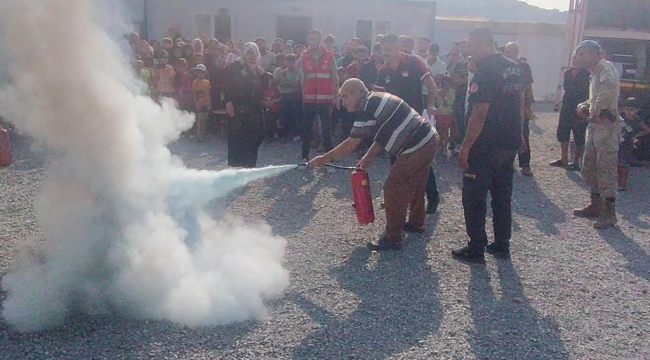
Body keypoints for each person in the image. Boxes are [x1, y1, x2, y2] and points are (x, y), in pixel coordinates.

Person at [308, 79, 439, 251]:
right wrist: (369, 155)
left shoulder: (367, 109)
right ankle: (416, 223)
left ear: (357, 93)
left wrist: (324, 159)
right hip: (429, 139)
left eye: (345, 96)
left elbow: (351, 143)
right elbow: (384, 131)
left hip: (416, 145)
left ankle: (393, 238)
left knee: (393, 187)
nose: (343, 101)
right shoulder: (375, 100)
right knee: (416, 183)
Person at [451, 28, 524, 264]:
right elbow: (520, 101)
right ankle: (502, 244)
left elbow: (479, 112)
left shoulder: (486, 70)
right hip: (507, 142)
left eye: (470, 46)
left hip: (485, 145)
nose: (468, 51)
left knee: (474, 197)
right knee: (502, 196)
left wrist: (465, 147)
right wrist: (519, 133)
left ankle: (476, 248)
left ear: (482, 45)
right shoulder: (513, 66)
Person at [375, 33, 440, 214]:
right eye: (383, 50)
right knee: (395, 162)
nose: (385, 53)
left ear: (397, 47)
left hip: (414, 121)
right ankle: (395, 198)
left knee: (420, 160)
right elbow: (378, 95)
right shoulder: (384, 71)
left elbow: (431, 84)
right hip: (393, 123)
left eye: (388, 50)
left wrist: (430, 104)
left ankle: (433, 197)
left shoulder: (414, 62)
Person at [572, 40, 622, 229]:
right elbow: (596, 97)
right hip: (595, 126)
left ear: (594, 54)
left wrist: (596, 110)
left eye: (582, 53)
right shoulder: (594, 73)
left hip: (606, 126)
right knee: (589, 167)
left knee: (606, 168)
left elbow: (607, 91)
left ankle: (609, 213)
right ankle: (596, 205)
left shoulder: (604, 68)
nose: (578, 57)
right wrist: (585, 105)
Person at [297, 29, 340, 162]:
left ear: (319, 40)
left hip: (325, 98)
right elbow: (302, 77)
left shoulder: (330, 56)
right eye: (310, 39)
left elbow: (335, 77)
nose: (312, 42)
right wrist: (303, 95)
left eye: (315, 39)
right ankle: (304, 158)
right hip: (309, 99)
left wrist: (336, 96)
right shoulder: (304, 56)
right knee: (306, 130)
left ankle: (330, 160)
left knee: (327, 131)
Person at [224, 42, 266, 168]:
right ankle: (240, 165)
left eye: (254, 53)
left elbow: (265, 86)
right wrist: (228, 102)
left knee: (257, 134)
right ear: (244, 53)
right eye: (249, 53)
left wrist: (263, 75)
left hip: (255, 107)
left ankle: (250, 164)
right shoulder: (235, 66)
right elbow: (227, 85)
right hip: (239, 106)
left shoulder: (257, 68)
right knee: (239, 136)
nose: (251, 56)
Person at [550, 56, 591, 170]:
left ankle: (576, 161)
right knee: (563, 131)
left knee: (579, 133)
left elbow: (584, 90)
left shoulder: (587, 74)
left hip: (581, 106)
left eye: (578, 58)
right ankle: (564, 159)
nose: (576, 60)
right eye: (574, 58)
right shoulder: (567, 73)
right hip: (567, 105)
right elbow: (566, 87)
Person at [504, 42, 535, 177]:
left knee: (524, 134)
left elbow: (528, 87)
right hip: (506, 106)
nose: (507, 54)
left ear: (517, 51)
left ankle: (525, 165)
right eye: (506, 51)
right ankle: (506, 164)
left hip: (520, 105)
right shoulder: (502, 66)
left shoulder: (524, 67)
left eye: (510, 51)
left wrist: (528, 107)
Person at [618, 97, 650, 191]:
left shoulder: (637, 120)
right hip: (618, 142)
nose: (628, 112)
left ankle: (623, 184)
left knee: (624, 165)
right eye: (626, 109)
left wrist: (635, 136)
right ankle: (617, 182)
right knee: (616, 164)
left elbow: (647, 130)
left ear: (637, 110)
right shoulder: (620, 117)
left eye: (631, 110)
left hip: (627, 144)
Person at [275, 54, 302, 142]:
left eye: (292, 61)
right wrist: (287, 83)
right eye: (288, 61)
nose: (290, 64)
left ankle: (297, 133)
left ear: (295, 62)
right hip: (285, 95)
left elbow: (296, 84)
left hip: (294, 95)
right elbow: (281, 84)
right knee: (285, 115)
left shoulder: (298, 71)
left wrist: (287, 83)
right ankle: (285, 134)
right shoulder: (284, 72)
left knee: (296, 115)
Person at [435, 75, 455, 156]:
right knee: (439, 130)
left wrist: (444, 96)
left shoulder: (451, 92)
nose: (445, 85)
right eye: (444, 83)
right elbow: (437, 103)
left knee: (446, 130)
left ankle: (445, 146)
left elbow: (451, 102)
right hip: (440, 113)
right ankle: (439, 146)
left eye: (447, 84)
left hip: (448, 113)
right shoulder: (438, 91)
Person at [191, 64, 212, 142]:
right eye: (198, 72)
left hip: (206, 103)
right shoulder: (194, 83)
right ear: (196, 73)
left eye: (202, 72)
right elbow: (194, 93)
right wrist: (196, 103)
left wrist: (210, 103)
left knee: (205, 119)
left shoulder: (207, 82)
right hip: (199, 103)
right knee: (199, 119)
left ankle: (203, 133)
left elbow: (208, 93)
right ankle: (198, 134)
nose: (200, 74)